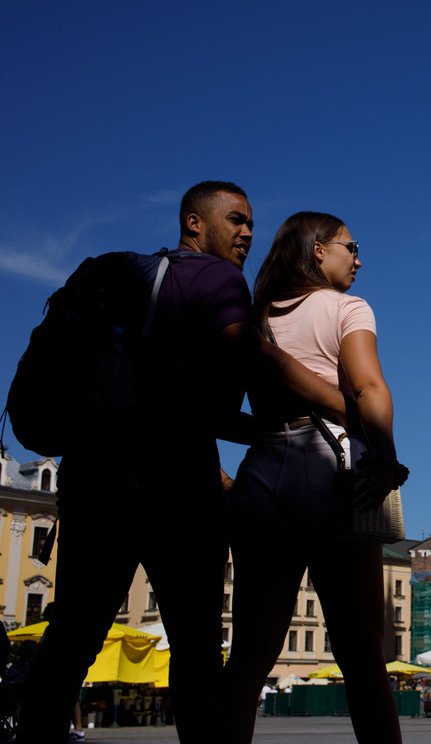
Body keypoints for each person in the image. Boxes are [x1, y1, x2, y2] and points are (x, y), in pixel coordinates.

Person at [15, 183, 346, 744]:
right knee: (194, 642)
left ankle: (35, 736)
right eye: (235, 220)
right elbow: (254, 355)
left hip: (93, 475)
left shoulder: (130, 286)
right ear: (194, 223)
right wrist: (343, 404)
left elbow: (183, 404)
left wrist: (253, 429)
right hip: (174, 485)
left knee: (75, 628)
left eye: (250, 224)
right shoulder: (215, 279)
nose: (246, 233)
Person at [214, 212, 407, 743]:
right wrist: (387, 458)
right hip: (330, 471)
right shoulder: (347, 308)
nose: (359, 259)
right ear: (318, 250)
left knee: (251, 654)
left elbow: (219, 412)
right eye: (352, 247)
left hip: (262, 473)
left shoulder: (252, 317)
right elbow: (370, 389)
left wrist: (270, 434)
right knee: (363, 654)